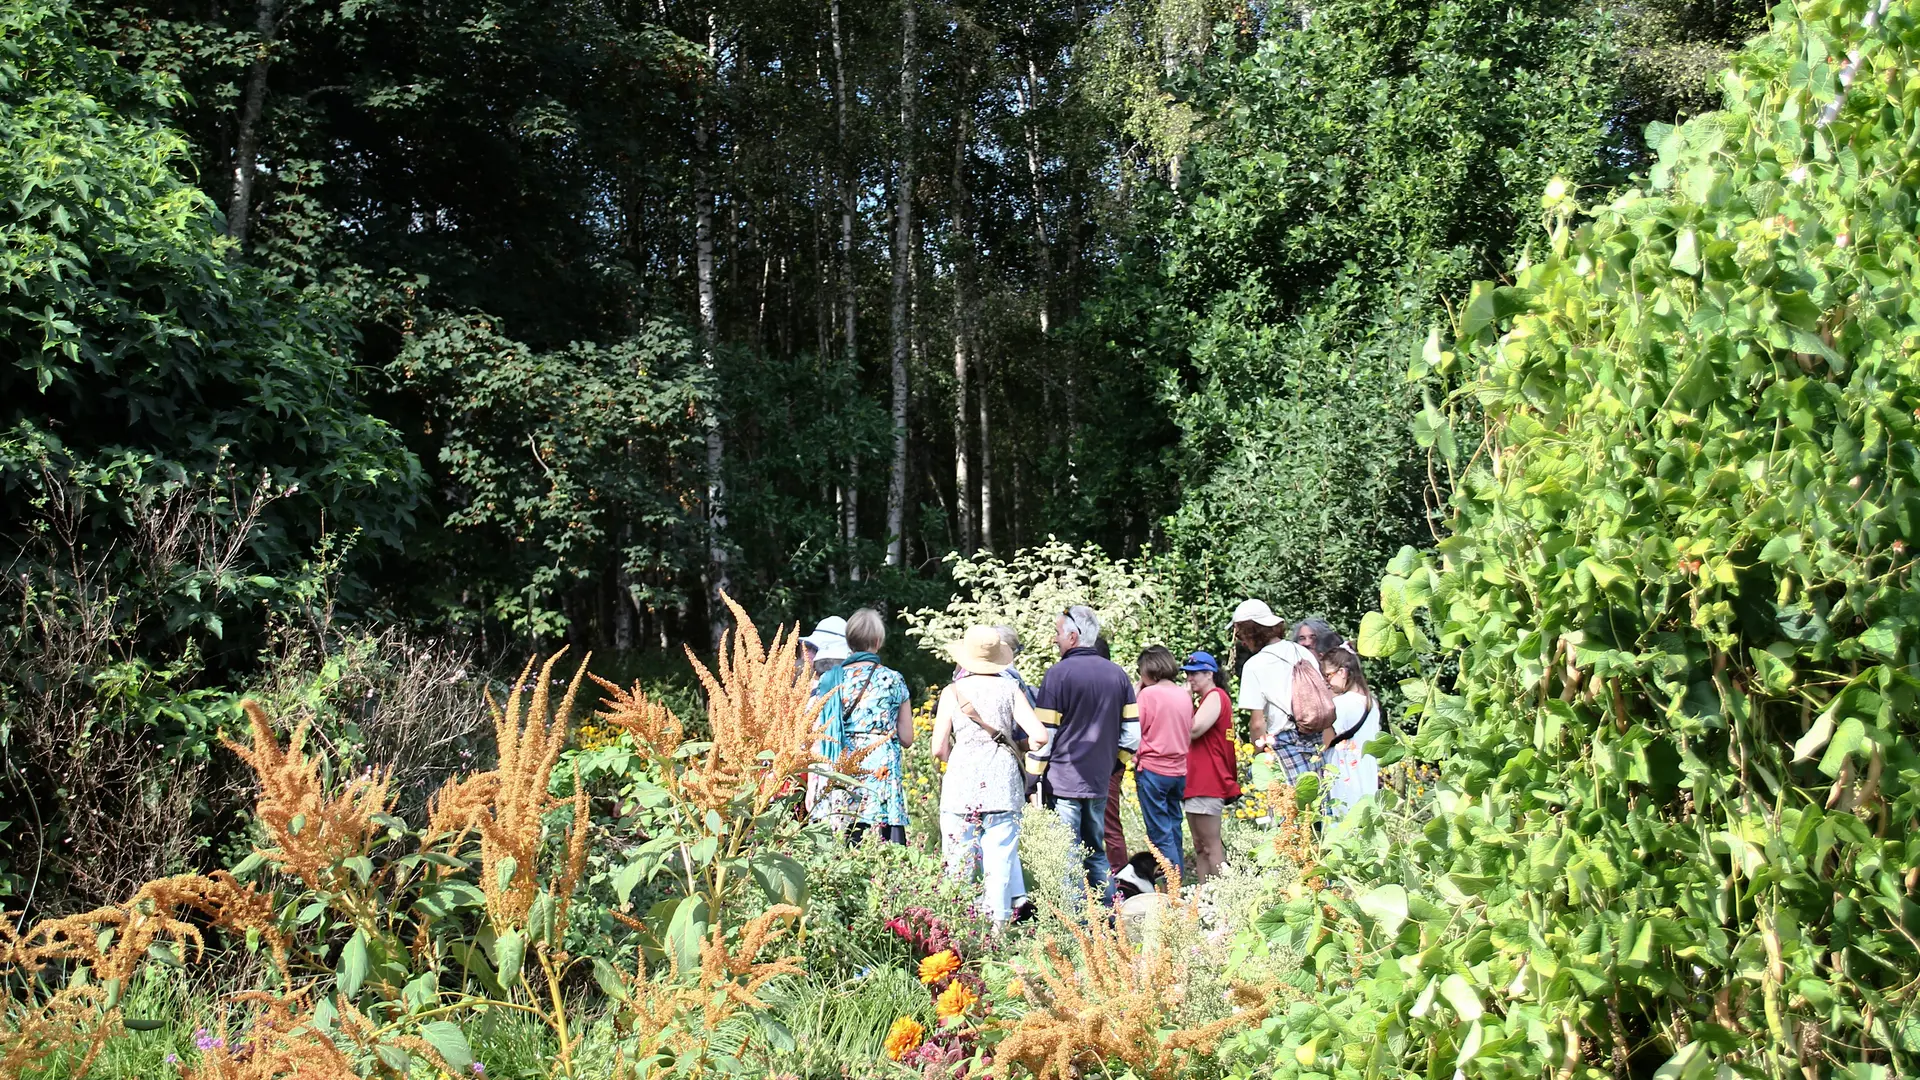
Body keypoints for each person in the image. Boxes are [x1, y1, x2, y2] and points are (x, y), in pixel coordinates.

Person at [931, 626, 1051, 922]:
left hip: (961, 785)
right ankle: (997, 929)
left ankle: (958, 925)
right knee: (999, 861)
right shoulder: (1010, 688)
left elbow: (938, 748)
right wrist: (1019, 745)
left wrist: (955, 759)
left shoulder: (952, 691)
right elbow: (1040, 737)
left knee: (958, 862)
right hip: (1003, 784)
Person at [1035, 604, 1136, 908]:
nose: (1055, 639)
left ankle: (1074, 924)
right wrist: (1114, 764)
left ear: (1073, 636)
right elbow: (1132, 735)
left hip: (1063, 780)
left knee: (1066, 856)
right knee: (1096, 851)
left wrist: (1032, 775)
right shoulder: (1119, 675)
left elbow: (1045, 734)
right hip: (1098, 781)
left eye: (1057, 633)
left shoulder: (1056, 675)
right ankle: (1108, 919)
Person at [809, 608, 914, 844]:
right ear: (878, 642)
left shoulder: (829, 680)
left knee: (843, 841)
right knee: (883, 848)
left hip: (841, 770)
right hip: (881, 773)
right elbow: (907, 737)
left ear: (849, 642)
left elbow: (819, 734)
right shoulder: (893, 679)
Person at [1229, 599, 1323, 782]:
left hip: (1284, 742)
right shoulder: (1301, 652)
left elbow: (1257, 723)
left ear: (1251, 631)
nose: (1242, 642)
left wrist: (1258, 756)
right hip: (1315, 736)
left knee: (1287, 807)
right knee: (1318, 802)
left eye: (1241, 635)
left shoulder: (1254, 665)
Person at [1132, 645, 1192, 884]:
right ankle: (1180, 879)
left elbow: (1135, 730)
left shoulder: (1148, 695)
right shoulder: (1183, 694)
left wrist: (1137, 693)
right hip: (1178, 770)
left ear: (1147, 669)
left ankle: (1171, 884)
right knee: (1174, 825)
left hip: (1153, 769)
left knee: (1159, 832)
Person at [1180, 651, 1239, 883]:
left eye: (1195, 674)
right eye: (1188, 674)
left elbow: (1194, 729)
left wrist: (1184, 702)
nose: (1190, 679)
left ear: (1209, 674)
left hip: (1208, 781)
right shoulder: (1208, 699)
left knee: (1212, 847)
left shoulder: (1215, 696)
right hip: (1198, 782)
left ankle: (1230, 898)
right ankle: (1204, 901)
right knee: (1201, 847)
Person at [1319, 646, 1382, 819]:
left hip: (1345, 775)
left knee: (1342, 826)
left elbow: (1325, 742)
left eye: (1328, 675)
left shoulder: (1341, 704)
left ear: (1342, 672)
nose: (1326, 682)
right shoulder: (1372, 703)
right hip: (1366, 773)